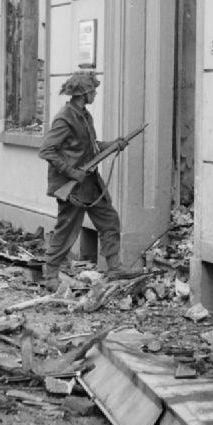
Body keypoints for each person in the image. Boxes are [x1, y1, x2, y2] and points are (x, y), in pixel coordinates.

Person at [38, 70, 134, 290]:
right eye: (93, 91)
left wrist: (112, 144)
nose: (95, 95)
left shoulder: (84, 115)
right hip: (71, 186)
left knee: (109, 220)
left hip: (90, 183)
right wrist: (71, 172)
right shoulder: (65, 117)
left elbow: (90, 147)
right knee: (67, 230)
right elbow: (46, 150)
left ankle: (114, 268)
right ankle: (50, 275)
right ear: (83, 93)